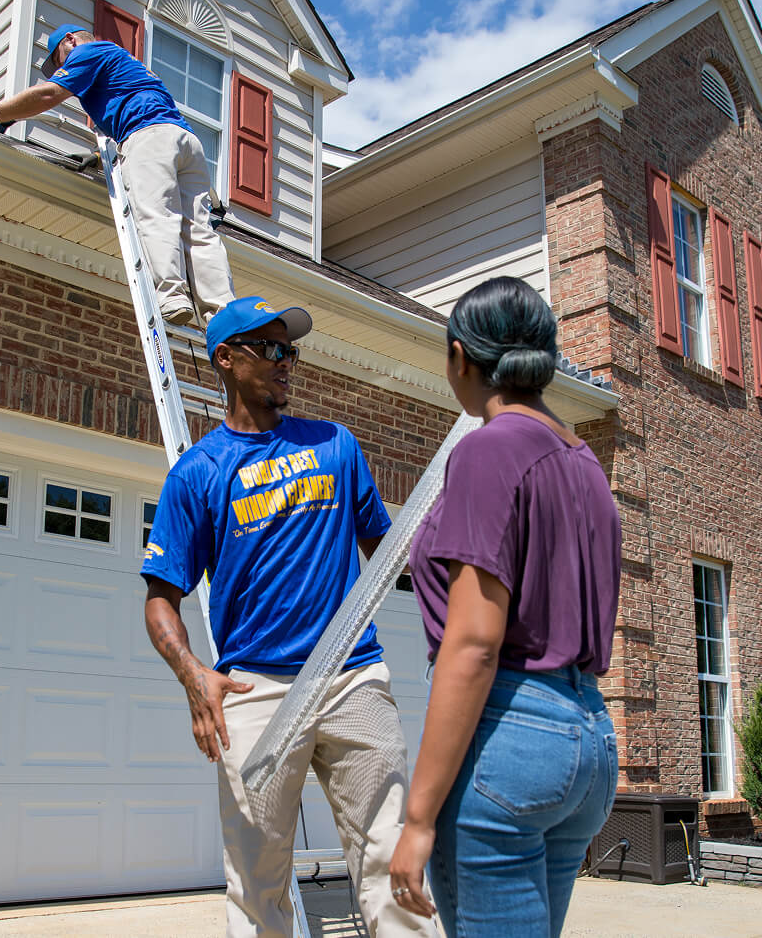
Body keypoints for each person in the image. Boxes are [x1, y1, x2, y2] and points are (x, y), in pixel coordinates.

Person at [140, 296, 437, 938]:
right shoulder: (198, 473)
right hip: (255, 691)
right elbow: (160, 599)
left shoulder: (335, 444)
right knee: (256, 882)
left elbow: (392, 559)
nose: (285, 361)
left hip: (352, 676)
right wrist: (194, 675)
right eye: (269, 349)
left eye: (290, 349)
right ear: (226, 359)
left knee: (393, 862)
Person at [388, 276, 621, 937]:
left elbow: (474, 644)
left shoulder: (488, 451)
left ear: (461, 356)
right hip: (589, 735)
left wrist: (418, 819)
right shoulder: (585, 466)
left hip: (511, 740)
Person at [0, 23, 235, 326]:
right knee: (198, 231)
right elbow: (145, 115)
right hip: (186, 143)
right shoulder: (129, 66)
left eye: (59, 60)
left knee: (156, 214)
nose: (62, 67)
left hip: (148, 135)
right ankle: (223, 315)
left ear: (70, 40)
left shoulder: (89, 51)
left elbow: (48, 94)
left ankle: (171, 295)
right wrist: (97, 157)